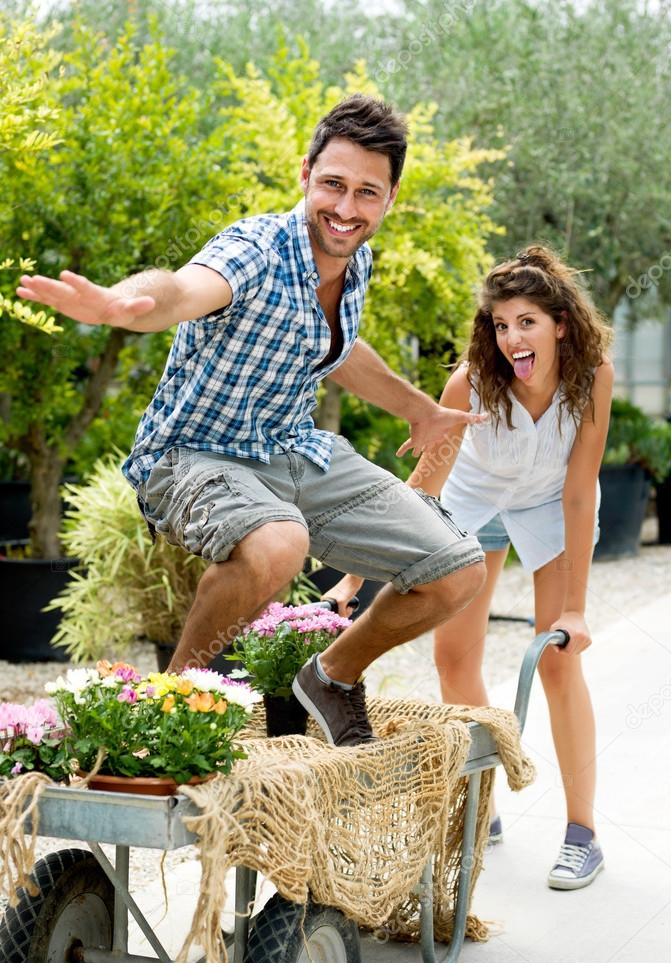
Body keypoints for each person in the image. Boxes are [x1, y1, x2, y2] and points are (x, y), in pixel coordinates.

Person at [16, 94, 488, 748]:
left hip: (291, 453)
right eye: (332, 185)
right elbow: (183, 290)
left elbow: (337, 346)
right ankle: (170, 698)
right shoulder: (256, 249)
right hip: (191, 456)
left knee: (458, 570)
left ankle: (332, 677)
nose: (346, 209)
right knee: (278, 544)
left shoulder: (357, 262)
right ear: (304, 173)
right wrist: (125, 305)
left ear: (390, 197)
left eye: (366, 193)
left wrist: (419, 408)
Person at [328, 246, 613, 886]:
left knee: (559, 661)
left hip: (549, 503)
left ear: (561, 323)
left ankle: (582, 833)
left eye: (527, 322)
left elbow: (579, 488)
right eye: (501, 324)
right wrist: (354, 575)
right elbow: (422, 490)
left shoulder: (592, 374)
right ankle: (482, 803)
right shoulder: (473, 382)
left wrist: (575, 607)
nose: (512, 337)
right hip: (473, 501)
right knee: (453, 658)